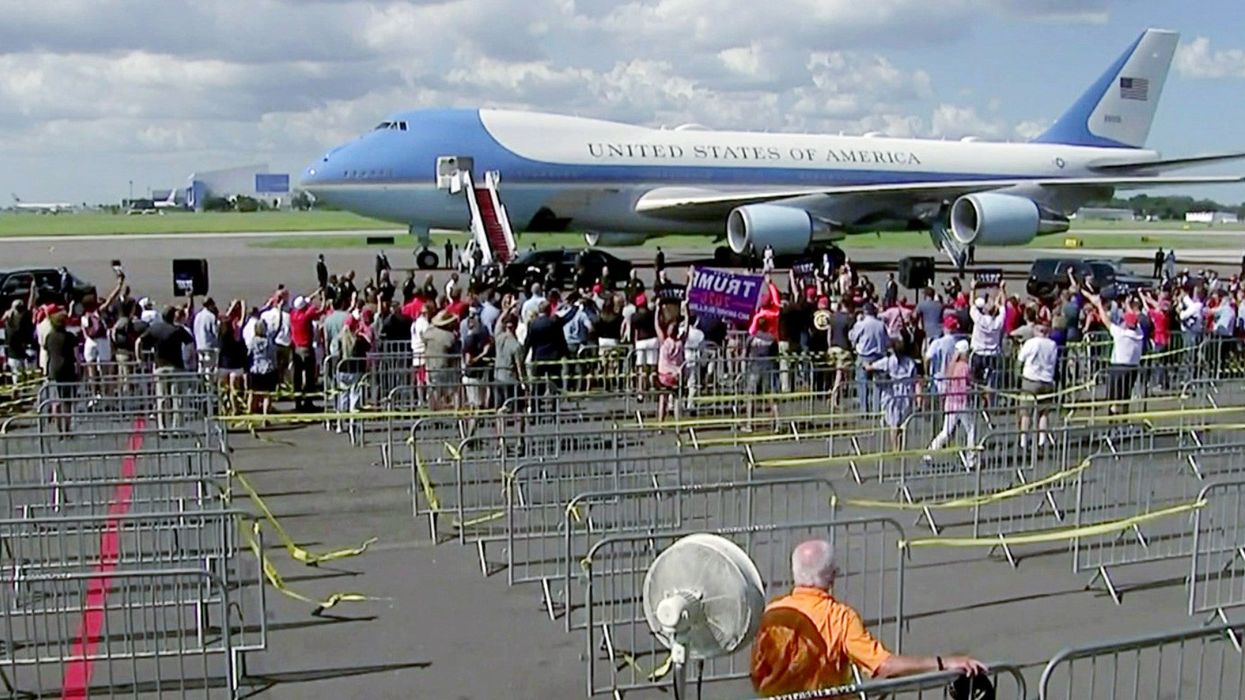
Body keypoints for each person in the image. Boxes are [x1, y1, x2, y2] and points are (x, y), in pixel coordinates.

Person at [751, 540, 985, 696]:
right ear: (831, 576)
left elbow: (758, 673)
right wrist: (943, 663)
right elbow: (884, 665)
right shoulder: (839, 618)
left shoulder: (771, 614)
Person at [1088, 291, 1143, 414]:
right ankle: (1123, 420)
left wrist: (1099, 305)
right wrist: (1127, 304)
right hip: (1133, 368)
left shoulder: (1121, 334)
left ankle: (1114, 420)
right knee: (1125, 398)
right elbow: (1133, 320)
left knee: (1114, 399)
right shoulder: (1139, 334)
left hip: (1118, 369)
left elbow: (1106, 321)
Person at [141, 306, 195, 430]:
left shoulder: (155, 328)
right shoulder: (178, 330)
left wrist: (141, 358)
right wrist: (190, 359)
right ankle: (177, 427)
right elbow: (190, 344)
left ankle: (162, 427)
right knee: (177, 398)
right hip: (176, 367)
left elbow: (140, 341)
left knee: (162, 398)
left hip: (160, 366)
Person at [927, 340, 976, 465]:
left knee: (946, 431)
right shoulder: (965, 367)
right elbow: (969, 383)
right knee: (970, 430)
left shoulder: (951, 366)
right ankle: (971, 459)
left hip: (950, 402)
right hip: (962, 402)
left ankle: (929, 453)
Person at [868, 338, 919, 451]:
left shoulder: (888, 361)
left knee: (893, 423)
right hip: (906, 393)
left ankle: (895, 448)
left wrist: (866, 364)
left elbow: (870, 367)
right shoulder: (910, 362)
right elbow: (916, 380)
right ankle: (900, 447)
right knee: (903, 422)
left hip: (892, 393)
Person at [1017, 322, 1058, 449]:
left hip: (1030, 379)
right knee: (1044, 413)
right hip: (1047, 380)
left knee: (1025, 412)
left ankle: (1023, 441)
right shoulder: (1053, 345)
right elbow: (1054, 362)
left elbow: (1020, 360)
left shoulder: (1030, 343)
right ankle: (1042, 440)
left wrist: (1017, 376)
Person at [43, 311, 79, 435]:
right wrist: (79, 369)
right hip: (67, 369)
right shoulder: (70, 336)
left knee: (56, 402)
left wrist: (46, 370)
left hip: (53, 370)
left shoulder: (49, 337)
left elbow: (47, 354)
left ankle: (58, 430)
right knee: (67, 402)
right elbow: (77, 356)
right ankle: (67, 429)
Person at [289, 292, 326, 411]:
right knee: (310, 377)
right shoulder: (306, 315)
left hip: (296, 348)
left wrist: (312, 295)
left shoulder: (293, 314)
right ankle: (308, 402)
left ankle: (298, 402)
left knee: (297, 377)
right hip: (306, 348)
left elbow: (305, 305)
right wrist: (323, 298)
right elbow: (321, 310)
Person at [848, 303, 887, 412]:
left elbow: (852, 337)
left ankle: (864, 409)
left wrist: (856, 323)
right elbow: (886, 340)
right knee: (878, 384)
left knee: (862, 383)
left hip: (864, 356)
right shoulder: (881, 324)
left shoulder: (861, 324)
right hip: (879, 356)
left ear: (865, 312)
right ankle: (876, 409)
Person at [969, 282, 1006, 389]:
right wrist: (1002, 289)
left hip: (978, 353)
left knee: (976, 383)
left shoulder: (979, 319)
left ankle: (977, 396)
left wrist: (973, 289)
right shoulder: (998, 322)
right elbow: (1003, 306)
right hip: (993, 354)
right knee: (992, 384)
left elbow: (971, 304)